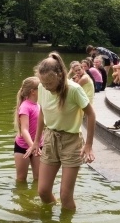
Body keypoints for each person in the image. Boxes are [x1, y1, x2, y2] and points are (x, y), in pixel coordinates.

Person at [25, 52, 96, 211]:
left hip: (71, 142)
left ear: (60, 75)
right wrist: (37, 141)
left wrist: (89, 145)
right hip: (50, 139)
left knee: (65, 195)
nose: (47, 87)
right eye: (44, 83)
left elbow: (91, 114)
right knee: (43, 192)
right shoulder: (42, 88)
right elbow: (43, 113)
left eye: (50, 83)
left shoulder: (74, 89)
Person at [13, 76, 41, 183]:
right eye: (41, 88)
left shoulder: (39, 105)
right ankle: (22, 199)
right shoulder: (25, 106)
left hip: (38, 145)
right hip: (23, 146)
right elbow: (24, 129)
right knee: (21, 179)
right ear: (33, 91)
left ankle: (35, 199)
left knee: (38, 179)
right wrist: (32, 145)